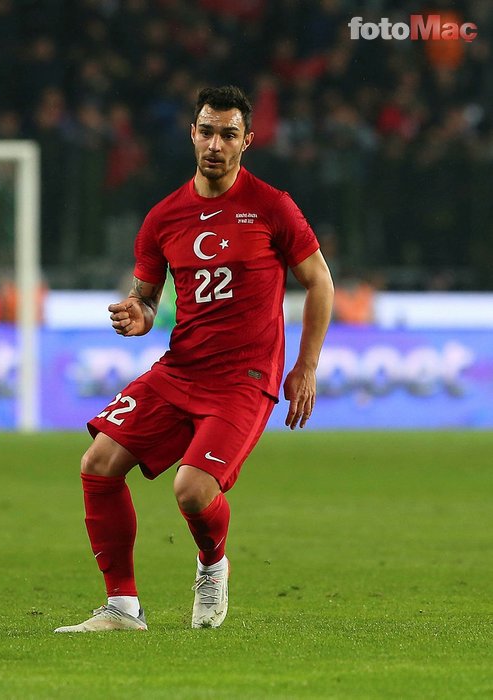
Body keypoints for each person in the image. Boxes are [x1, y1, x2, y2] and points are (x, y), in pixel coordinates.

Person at [55, 85, 334, 633]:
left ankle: (212, 565)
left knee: (192, 489)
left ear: (246, 141)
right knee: (98, 464)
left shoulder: (272, 206)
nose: (215, 143)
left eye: (228, 134)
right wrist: (137, 315)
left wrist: (306, 366)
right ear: (192, 134)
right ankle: (121, 608)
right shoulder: (164, 217)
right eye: (206, 131)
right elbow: (146, 298)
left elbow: (320, 281)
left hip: (244, 380)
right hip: (180, 368)